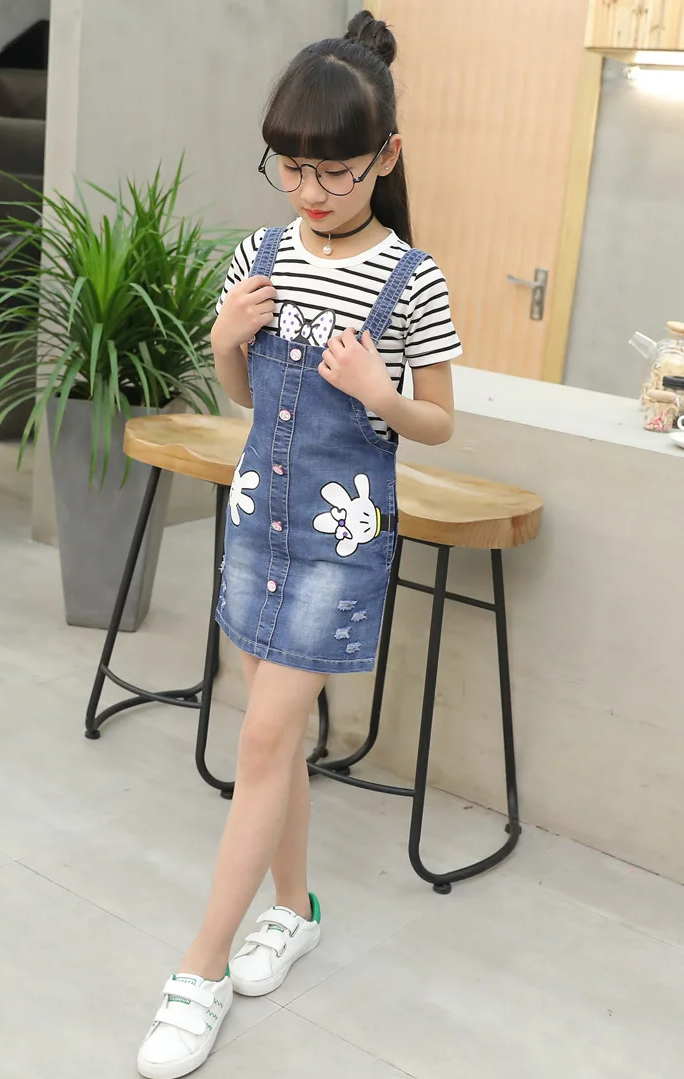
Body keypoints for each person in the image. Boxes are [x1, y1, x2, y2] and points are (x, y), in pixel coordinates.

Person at [137, 10, 460, 1078]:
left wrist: (381, 391)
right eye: (291, 166)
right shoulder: (260, 254)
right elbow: (244, 396)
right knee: (271, 740)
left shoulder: (412, 279)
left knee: (264, 741)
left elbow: (438, 421)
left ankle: (200, 969)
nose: (310, 189)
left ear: (386, 158)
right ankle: (295, 907)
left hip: (336, 543)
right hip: (255, 522)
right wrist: (224, 342)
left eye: (333, 169)